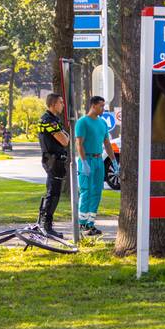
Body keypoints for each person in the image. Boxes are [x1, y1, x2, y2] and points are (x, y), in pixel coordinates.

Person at [74, 95, 118, 236]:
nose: (103, 109)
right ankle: (82, 224)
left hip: (99, 160)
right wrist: (84, 162)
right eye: (101, 106)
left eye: (103, 106)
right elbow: (79, 144)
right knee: (86, 191)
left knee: (97, 192)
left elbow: (107, 143)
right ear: (93, 105)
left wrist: (113, 161)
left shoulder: (102, 123)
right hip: (87, 160)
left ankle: (90, 224)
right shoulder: (82, 122)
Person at [36, 93, 70, 237]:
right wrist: (65, 135)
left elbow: (65, 137)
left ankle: (43, 223)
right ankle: (46, 226)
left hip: (56, 159)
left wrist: (65, 135)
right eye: (61, 102)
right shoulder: (48, 120)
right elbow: (65, 140)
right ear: (53, 104)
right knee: (53, 193)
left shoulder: (54, 120)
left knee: (54, 192)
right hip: (52, 160)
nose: (63, 105)